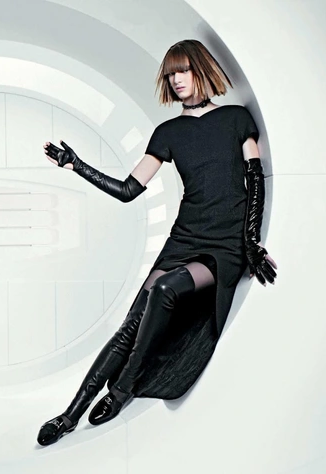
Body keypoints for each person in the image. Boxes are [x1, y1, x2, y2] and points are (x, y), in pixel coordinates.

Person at [36, 39, 278, 446]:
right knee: (132, 322)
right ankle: (69, 415)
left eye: (183, 70)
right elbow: (128, 190)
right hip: (185, 237)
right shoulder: (168, 132)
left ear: (201, 69)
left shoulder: (236, 119)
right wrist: (76, 165)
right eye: (170, 74)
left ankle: (122, 388)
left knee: (165, 289)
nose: (177, 80)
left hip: (223, 246)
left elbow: (255, 180)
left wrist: (251, 242)